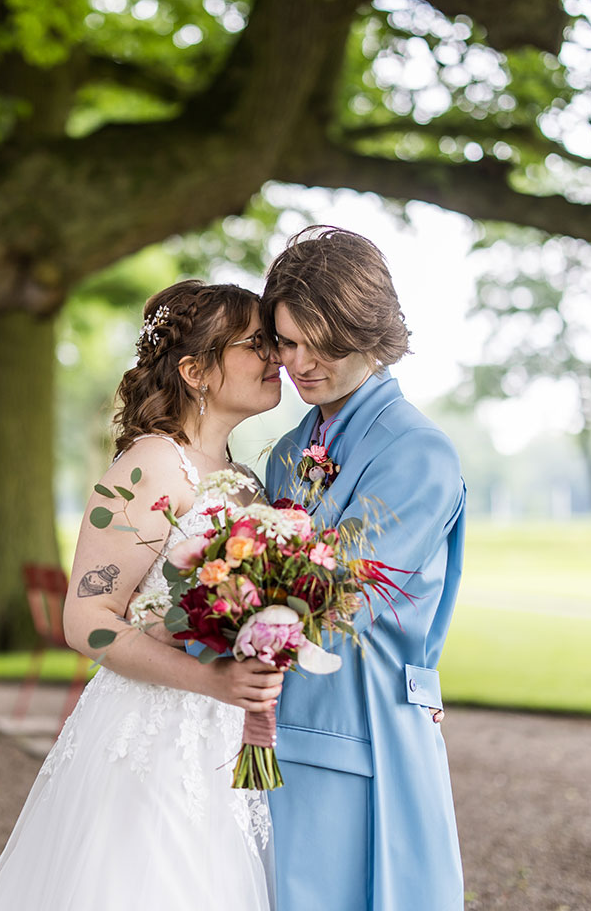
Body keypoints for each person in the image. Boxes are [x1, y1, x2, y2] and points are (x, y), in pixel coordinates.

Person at [0, 280, 285, 911]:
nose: (275, 355)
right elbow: (86, 619)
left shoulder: (252, 481)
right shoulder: (153, 467)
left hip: (226, 739)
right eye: (256, 343)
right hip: (153, 736)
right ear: (195, 370)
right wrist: (211, 681)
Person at [261, 227, 467, 911]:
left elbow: (339, 599)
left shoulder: (418, 453)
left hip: (359, 733)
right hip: (272, 726)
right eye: (286, 342)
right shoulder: (289, 450)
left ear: (369, 330)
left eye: (321, 341)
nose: (300, 363)